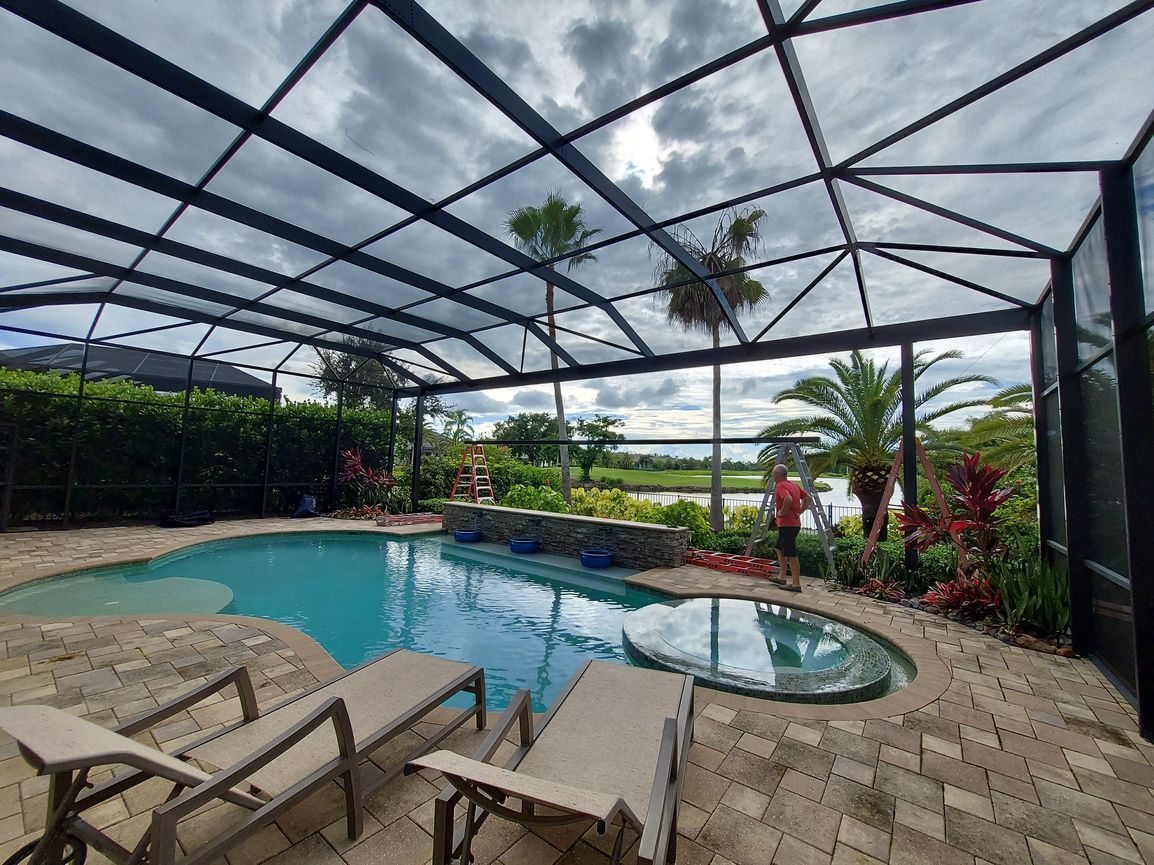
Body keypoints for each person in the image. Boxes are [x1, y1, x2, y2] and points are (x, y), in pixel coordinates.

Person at [771, 464, 809, 592]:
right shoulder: (794, 485)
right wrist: (800, 511)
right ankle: (782, 577)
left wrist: (783, 512)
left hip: (787, 525)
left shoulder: (781, 485)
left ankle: (796, 584)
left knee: (791, 553)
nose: (772, 476)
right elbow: (808, 498)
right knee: (779, 548)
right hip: (794, 524)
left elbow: (787, 498)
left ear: (778, 474)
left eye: (773, 473)